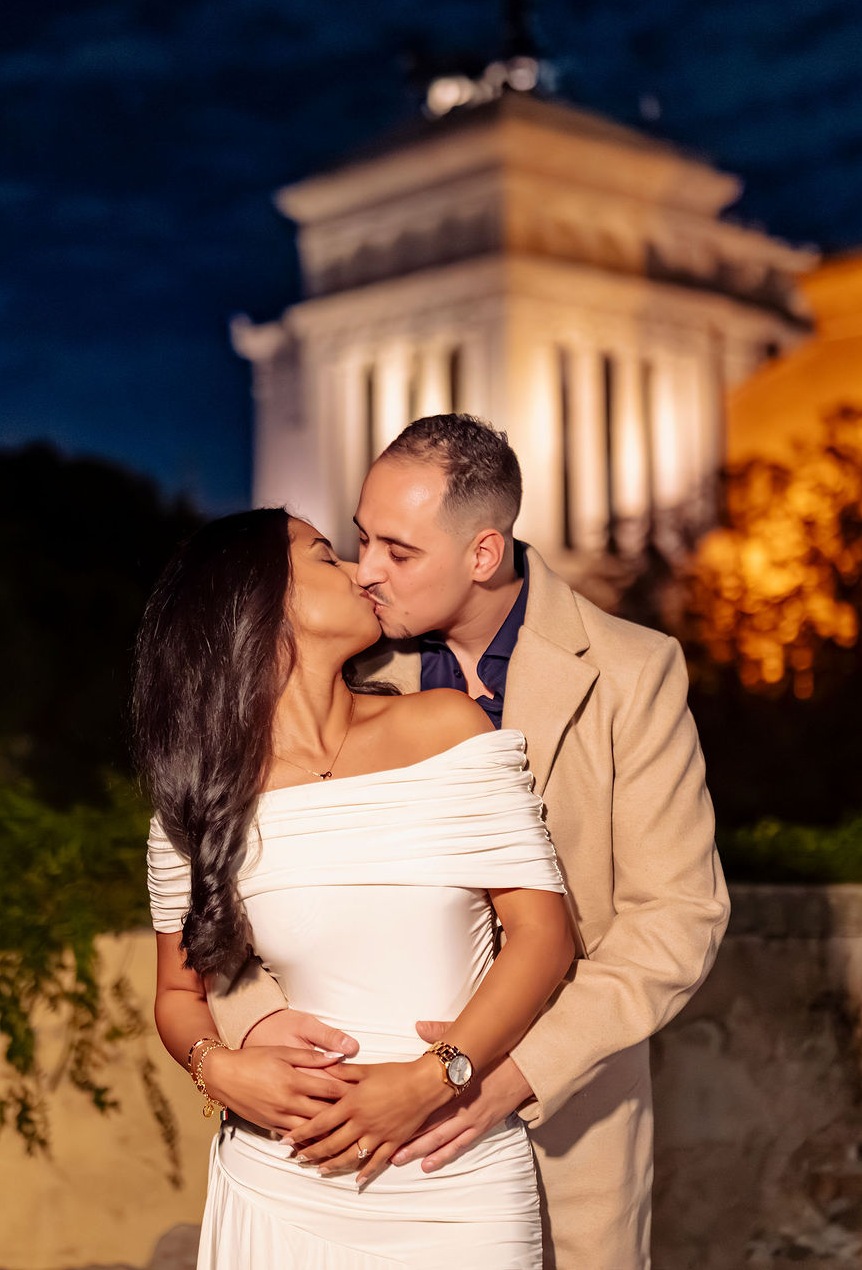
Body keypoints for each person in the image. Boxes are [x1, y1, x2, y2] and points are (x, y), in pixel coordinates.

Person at [205, 414, 731, 1269]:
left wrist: (497, 1074)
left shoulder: (632, 671)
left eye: (398, 552)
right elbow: (241, 884)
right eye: (360, 538)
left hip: (562, 1119)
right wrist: (253, 1033)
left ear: (483, 553)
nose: (366, 570)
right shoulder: (352, 669)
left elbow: (677, 919)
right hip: (346, 1143)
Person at [137, 507, 577, 1267]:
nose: (361, 571)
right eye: (325, 557)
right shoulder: (200, 798)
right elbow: (179, 996)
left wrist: (432, 1079)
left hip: (452, 1165)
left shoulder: (446, 729)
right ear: (260, 600)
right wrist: (222, 1068)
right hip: (282, 1179)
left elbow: (544, 938)